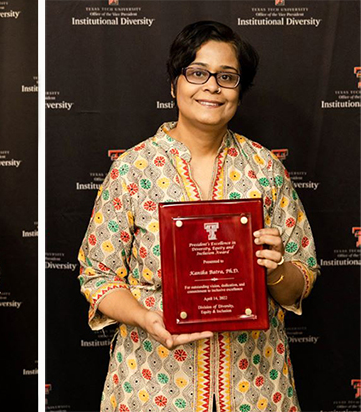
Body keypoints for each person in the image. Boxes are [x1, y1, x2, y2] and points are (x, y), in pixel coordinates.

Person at [78, 21, 319, 412]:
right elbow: (97, 275)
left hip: (254, 383)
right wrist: (144, 317)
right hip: (153, 382)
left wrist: (275, 270)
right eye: (197, 72)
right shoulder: (133, 169)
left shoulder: (265, 169)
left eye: (227, 77)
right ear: (174, 84)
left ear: (240, 91)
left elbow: (301, 277)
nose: (212, 86)